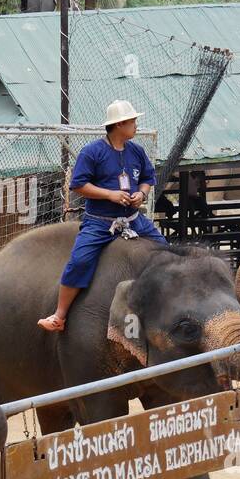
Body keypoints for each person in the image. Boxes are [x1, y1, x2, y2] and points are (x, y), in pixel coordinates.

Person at [37, 100, 167, 332]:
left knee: (166, 251)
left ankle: (169, 304)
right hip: (99, 222)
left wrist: (141, 194)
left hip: (134, 219)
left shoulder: (136, 151)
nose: (136, 125)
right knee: (79, 261)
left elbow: (148, 178)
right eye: (132, 121)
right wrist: (110, 195)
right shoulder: (92, 152)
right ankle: (59, 315)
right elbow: (78, 185)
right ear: (119, 125)